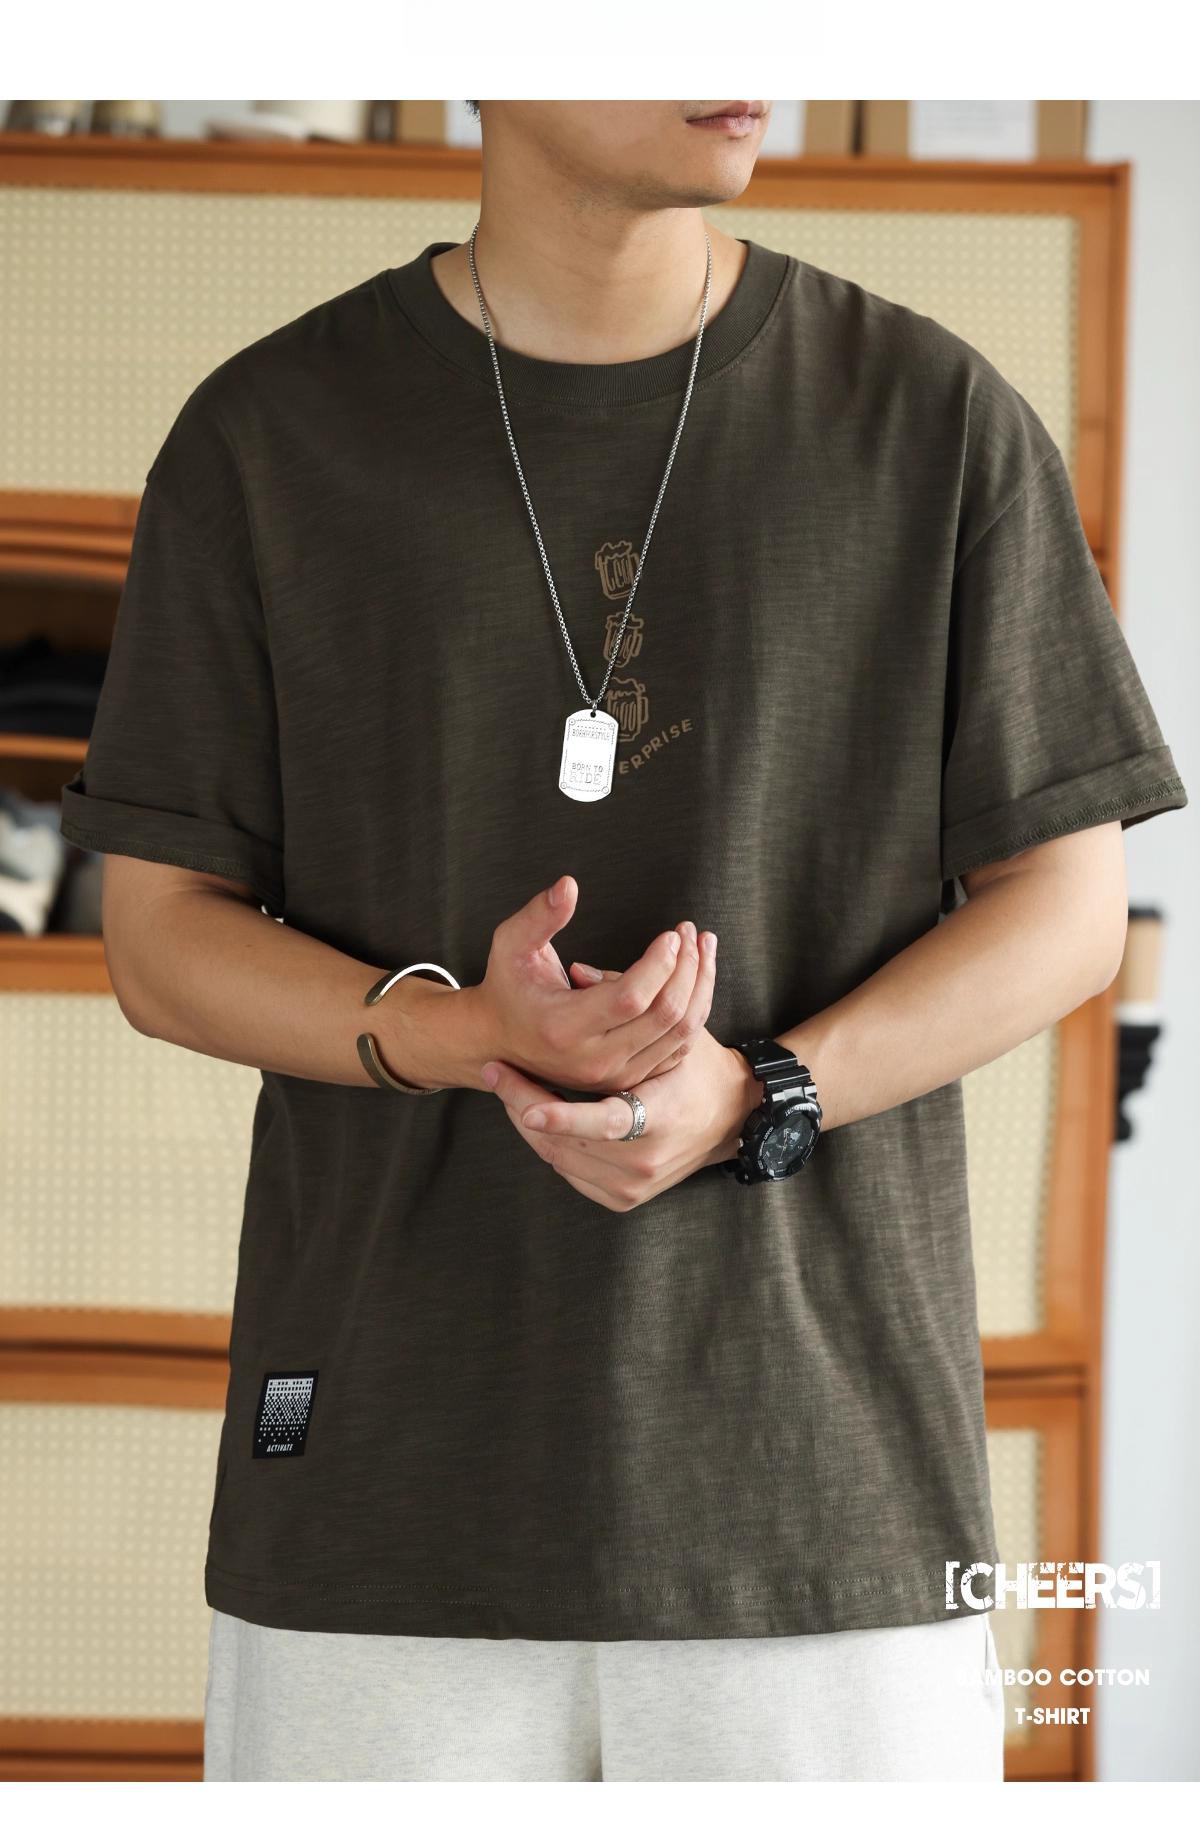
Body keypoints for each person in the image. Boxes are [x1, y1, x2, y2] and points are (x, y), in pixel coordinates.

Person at [64, 101, 1184, 1781]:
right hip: (384, 1501)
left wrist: (761, 1092)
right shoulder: (269, 434)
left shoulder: (933, 416)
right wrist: (460, 1031)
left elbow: (1070, 908)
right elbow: (159, 938)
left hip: (826, 1512)